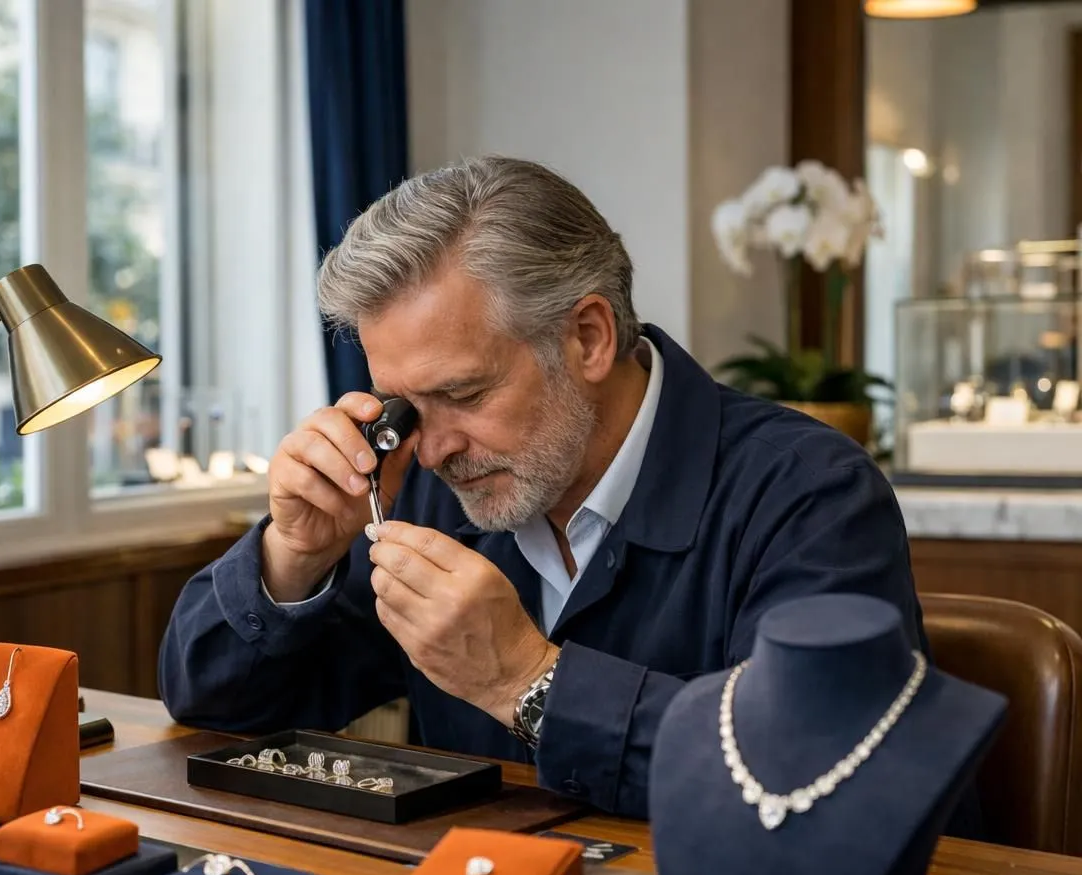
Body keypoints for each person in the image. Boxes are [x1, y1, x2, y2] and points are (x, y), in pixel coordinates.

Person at [156, 155, 925, 820]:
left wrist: (527, 678)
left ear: (588, 337)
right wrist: (293, 557)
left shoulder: (809, 493)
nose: (434, 450)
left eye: (462, 393)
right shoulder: (426, 487)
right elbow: (214, 708)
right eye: (406, 407)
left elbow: (819, 780)